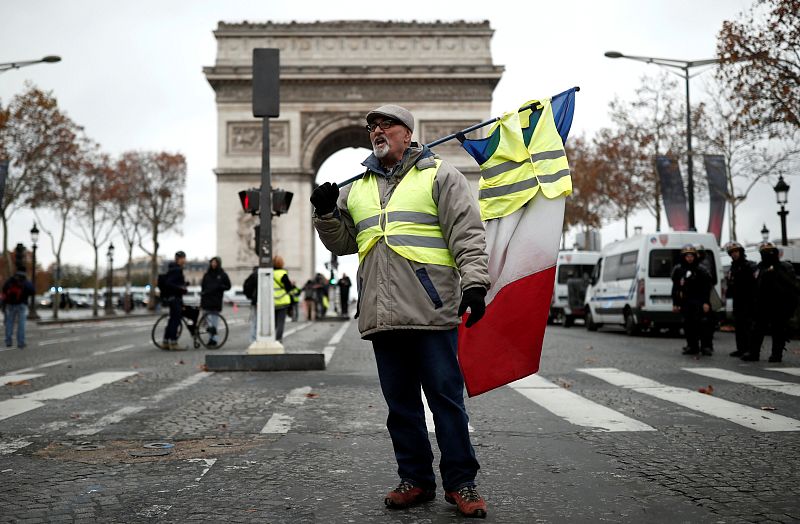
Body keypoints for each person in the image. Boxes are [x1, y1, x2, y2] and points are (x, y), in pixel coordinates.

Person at [311, 104, 490, 518]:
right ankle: (416, 481)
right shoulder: (356, 188)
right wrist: (324, 213)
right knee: (401, 409)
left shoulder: (441, 175)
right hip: (382, 314)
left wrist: (475, 283)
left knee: (446, 403)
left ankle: (462, 483)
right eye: (372, 127)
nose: (377, 131)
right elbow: (343, 243)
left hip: (431, 309)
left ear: (408, 133)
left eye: (386, 124)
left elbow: (467, 232)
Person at [742, 242, 799, 362]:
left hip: (778, 304)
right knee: (757, 329)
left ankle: (776, 354)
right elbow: (754, 286)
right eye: (765, 252)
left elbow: (791, 287)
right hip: (762, 304)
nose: (768, 254)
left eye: (770, 252)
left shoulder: (783, 267)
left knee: (778, 330)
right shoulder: (759, 267)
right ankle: (754, 353)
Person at [672, 244, 713, 356]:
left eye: (691, 256)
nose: (689, 258)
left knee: (702, 325)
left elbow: (706, 287)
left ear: (695, 257)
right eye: (687, 256)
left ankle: (705, 347)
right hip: (686, 302)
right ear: (684, 257)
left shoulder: (701, 270)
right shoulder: (679, 270)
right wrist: (675, 303)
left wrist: (705, 302)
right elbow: (676, 288)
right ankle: (692, 346)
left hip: (699, 302)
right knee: (688, 325)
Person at [724, 241, 757, 357]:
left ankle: (749, 349)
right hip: (737, 301)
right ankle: (741, 349)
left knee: (748, 326)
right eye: (732, 252)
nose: (734, 254)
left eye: (736, 252)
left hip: (748, 300)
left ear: (741, 252)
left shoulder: (749, 265)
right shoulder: (732, 268)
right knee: (739, 326)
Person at [200, 256, 231, 348]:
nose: (213, 264)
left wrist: (220, 287)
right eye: (212, 262)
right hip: (206, 300)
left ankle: (214, 339)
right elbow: (203, 287)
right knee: (209, 323)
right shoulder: (207, 275)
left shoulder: (222, 274)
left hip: (216, 300)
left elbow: (228, 286)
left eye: (215, 262)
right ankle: (211, 338)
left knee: (214, 322)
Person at [161, 251, 188, 351]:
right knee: (175, 320)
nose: (185, 260)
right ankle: (173, 342)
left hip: (171, 297)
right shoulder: (177, 269)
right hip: (175, 298)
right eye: (183, 258)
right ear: (179, 259)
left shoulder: (172, 268)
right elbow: (170, 283)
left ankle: (165, 341)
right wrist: (181, 288)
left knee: (172, 320)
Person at [2, 269, 35, 349]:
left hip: (10, 304)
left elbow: (4, 289)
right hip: (22, 304)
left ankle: (8, 341)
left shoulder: (11, 280)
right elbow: (32, 291)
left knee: (9, 322)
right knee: (21, 324)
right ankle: (21, 342)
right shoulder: (24, 280)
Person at [272, 255, 294, 342]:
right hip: (282, 301)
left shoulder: (269, 273)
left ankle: (270, 339)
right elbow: (289, 289)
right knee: (280, 322)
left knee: (273, 323)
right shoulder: (283, 274)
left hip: (272, 301)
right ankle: (278, 340)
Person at [243, 266, 258, 343]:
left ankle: (253, 338)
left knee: (254, 320)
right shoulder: (257, 275)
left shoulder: (252, 276)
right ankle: (255, 338)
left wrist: (250, 297)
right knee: (257, 320)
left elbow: (246, 286)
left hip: (255, 301)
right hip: (260, 300)